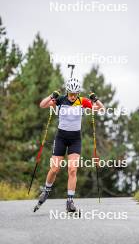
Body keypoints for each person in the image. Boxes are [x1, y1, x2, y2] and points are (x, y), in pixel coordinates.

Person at [35, 77, 104, 212]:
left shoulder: (83, 101)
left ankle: (70, 201)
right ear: (67, 92)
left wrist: (95, 99)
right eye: (71, 93)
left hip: (75, 140)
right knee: (54, 169)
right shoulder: (60, 100)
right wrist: (52, 96)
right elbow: (42, 105)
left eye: (75, 93)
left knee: (72, 169)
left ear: (78, 93)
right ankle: (47, 190)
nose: (73, 96)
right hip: (61, 138)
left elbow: (102, 109)